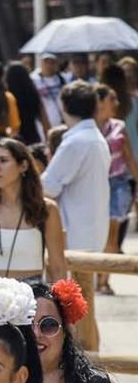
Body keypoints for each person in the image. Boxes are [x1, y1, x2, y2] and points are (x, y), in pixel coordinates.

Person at [40, 81, 111, 348]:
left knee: (79, 310)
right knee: (86, 308)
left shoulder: (76, 141)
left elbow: (47, 186)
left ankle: (90, 367)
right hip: (90, 229)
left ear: (64, 106)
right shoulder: (93, 137)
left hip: (75, 233)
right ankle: (93, 364)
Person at [0, 137, 67, 281]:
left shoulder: (47, 209)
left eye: (3, 160)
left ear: (23, 166)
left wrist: (62, 302)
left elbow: (57, 268)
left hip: (32, 297)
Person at [97, 83, 138, 293]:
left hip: (118, 184)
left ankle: (103, 280)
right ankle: (91, 273)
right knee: (95, 233)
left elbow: (129, 157)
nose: (117, 103)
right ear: (100, 102)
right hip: (95, 186)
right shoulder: (87, 126)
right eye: (112, 99)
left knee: (112, 236)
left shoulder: (119, 126)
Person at [5, 61, 48, 146]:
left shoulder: (7, 97)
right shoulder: (32, 94)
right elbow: (44, 120)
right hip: (32, 136)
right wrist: (48, 139)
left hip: (14, 139)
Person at [34, 52, 68, 129]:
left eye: (52, 62)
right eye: (46, 62)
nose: (49, 65)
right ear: (41, 63)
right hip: (44, 124)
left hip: (64, 121)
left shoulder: (62, 79)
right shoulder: (34, 80)